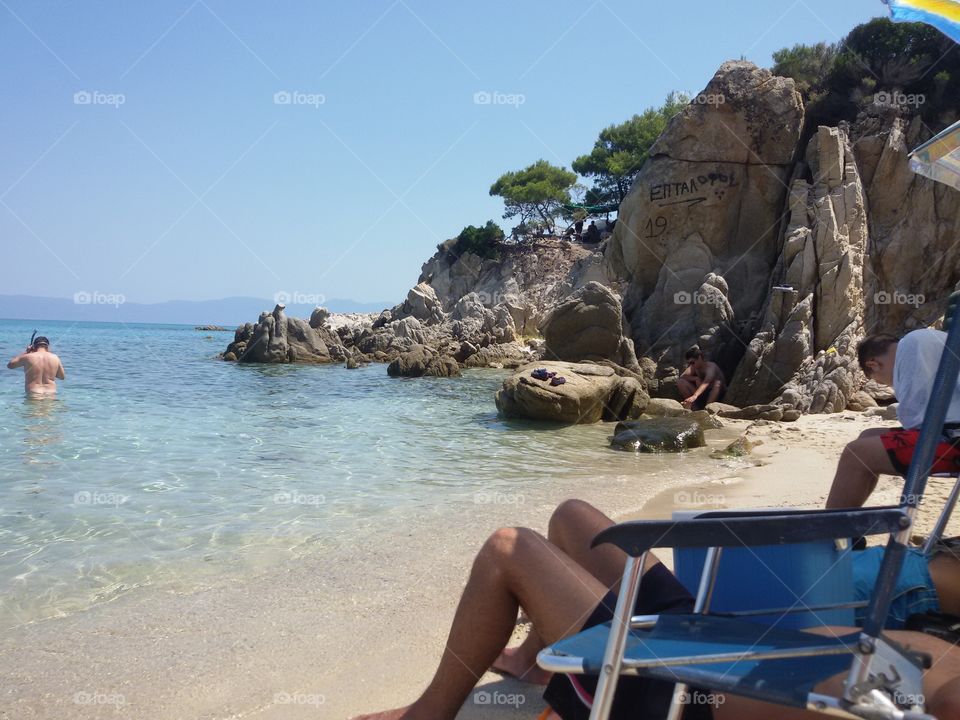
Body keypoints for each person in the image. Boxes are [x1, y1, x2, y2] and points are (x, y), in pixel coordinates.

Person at [351, 498, 960, 720]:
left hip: (680, 685)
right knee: (574, 519)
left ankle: (429, 714)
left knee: (508, 549)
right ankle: (541, 666)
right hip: (721, 634)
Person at [826, 329, 960, 509]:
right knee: (868, 435)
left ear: (873, 365)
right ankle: (848, 528)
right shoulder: (924, 341)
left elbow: (914, 417)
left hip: (954, 440)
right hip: (950, 432)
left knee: (856, 453)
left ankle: (831, 532)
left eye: (881, 382)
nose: (890, 385)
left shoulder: (911, 348)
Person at [677, 346, 726, 411]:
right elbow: (683, 376)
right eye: (689, 363)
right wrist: (695, 378)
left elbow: (706, 382)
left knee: (717, 383)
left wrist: (695, 396)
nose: (691, 365)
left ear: (699, 358)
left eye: (692, 362)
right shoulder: (693, 367)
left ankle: (707, 409)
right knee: (681, 382)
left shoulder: (710, 367)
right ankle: (693, 406)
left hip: (716, 394)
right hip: (702, 393)